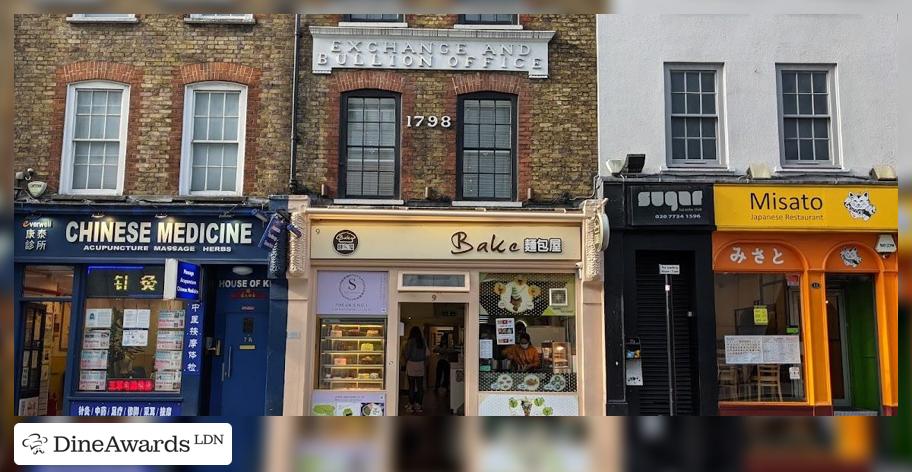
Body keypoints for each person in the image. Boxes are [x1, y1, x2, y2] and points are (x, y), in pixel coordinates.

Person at [403, 326, 430, 414]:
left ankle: (411, 405)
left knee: (411, 386)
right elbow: (427, 354)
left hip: (411, 364)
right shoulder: (423, 341)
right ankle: (418, 405)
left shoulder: (410, 342)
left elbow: (406, 355)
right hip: (420, 365)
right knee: (420, 386)